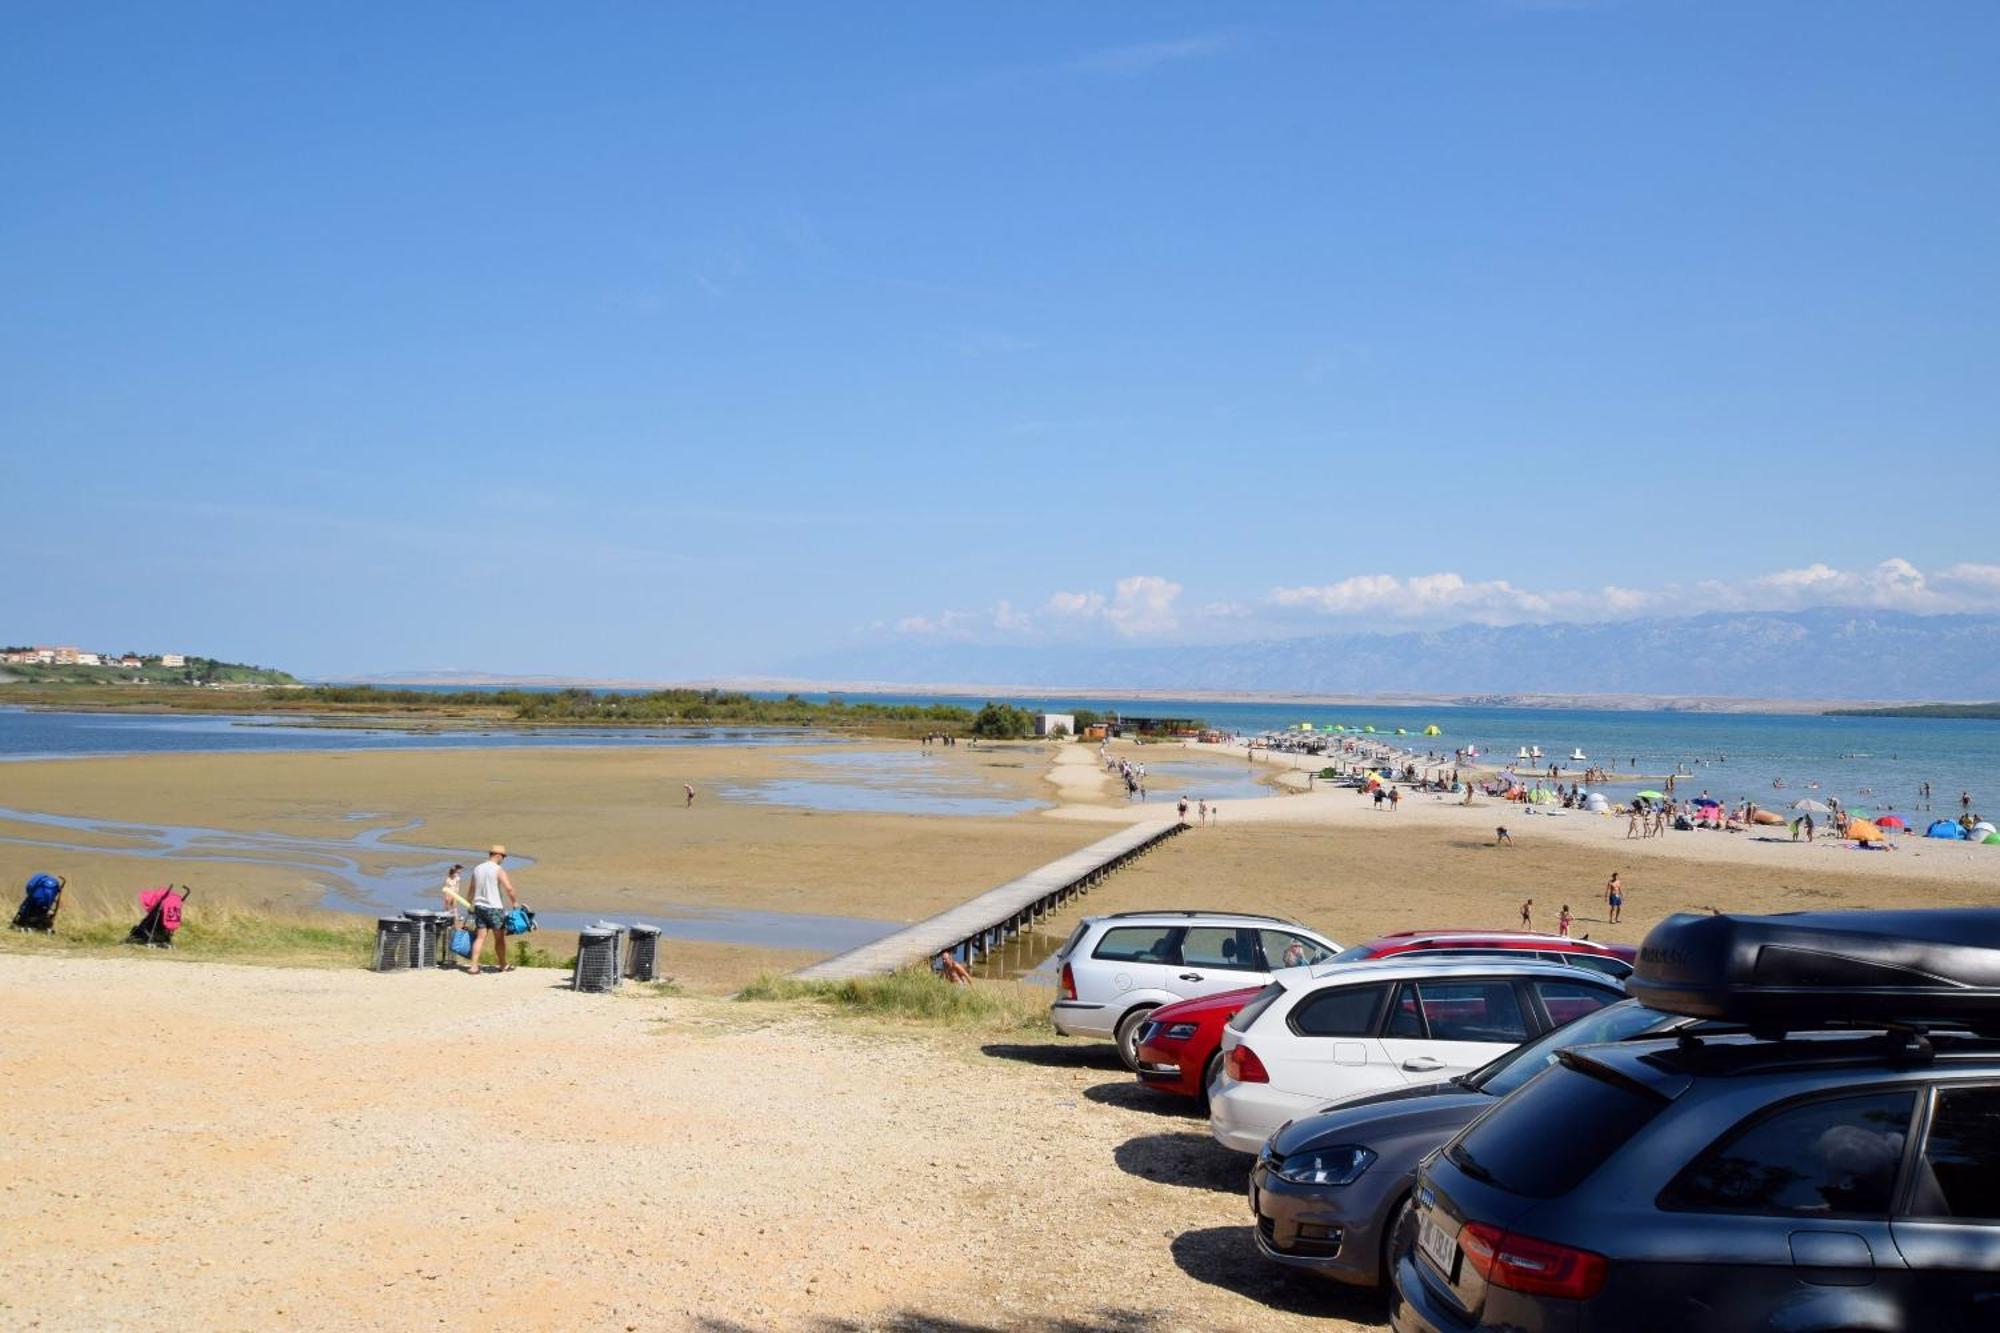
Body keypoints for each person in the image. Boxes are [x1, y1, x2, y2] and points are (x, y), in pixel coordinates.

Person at [466, 844, 520, 975]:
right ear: (498, 855)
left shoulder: (477, 868)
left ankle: (473, 966)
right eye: (503, 856)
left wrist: (469, 904)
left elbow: (471, 889)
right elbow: (509, 888)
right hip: (494, 907)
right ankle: (503, 965)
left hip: (479, 906)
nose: (503, 859)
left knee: (480, 937)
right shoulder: (498, 869)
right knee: (499, 938)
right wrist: (515, 903)